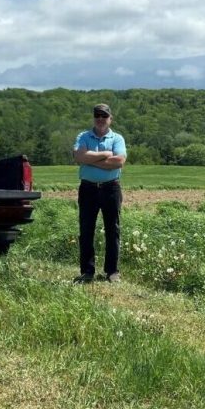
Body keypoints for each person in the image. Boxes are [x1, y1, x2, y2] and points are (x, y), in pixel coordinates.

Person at [73, 103, 127, 283]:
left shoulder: (117, 138)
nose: (100, 119)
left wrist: (90, 160)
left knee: (113, 230)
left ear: (110, 119)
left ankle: (112, 271)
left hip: (111, 188)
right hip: (88, 189)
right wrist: (104, 154)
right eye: (97, 115)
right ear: (94, 118)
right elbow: (78, 157)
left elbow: (119, 161)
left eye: (104, 116)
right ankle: (87, 272)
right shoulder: (83, 136)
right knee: (86, 230)